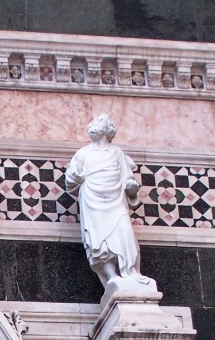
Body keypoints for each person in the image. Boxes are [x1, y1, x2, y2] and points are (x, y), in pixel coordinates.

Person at [65, 114, 156, 291]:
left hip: (116, 200)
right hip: (93, 200)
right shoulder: (83, 154)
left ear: (108, 129)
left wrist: (131, 189)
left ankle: (130, 272)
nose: (95, 127)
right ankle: (112, 275)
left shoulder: (117, 153)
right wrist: (76, 176)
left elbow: (127, 178)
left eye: (100, 123)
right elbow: (70, 179)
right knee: (100, 240)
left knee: (124, 231)